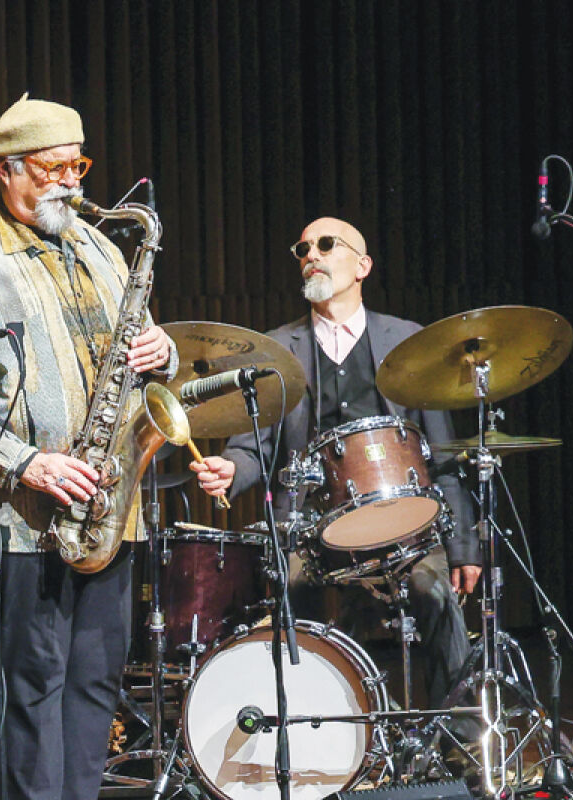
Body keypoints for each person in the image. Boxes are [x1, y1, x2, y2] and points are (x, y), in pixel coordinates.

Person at [0, 94, 176, 800]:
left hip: (108, 506)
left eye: (77, 166)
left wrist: (164, 349)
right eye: (53, 168)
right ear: (6, 170)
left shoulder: (98, 246)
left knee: (95, 682)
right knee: (33, 688)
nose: (71, 182)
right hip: (22, 518)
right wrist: (28, 462)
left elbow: (139, 347)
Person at [191, 216, 480, 710]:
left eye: (326, 244)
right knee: (297, 606)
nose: (311, 255)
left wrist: (464, 547)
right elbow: (251, 447)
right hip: (309, 527)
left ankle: (460, 743)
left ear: (362, 265)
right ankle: (321, 752)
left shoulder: (408, 340)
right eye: (302, 247)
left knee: (436, 598)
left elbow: (445, 461)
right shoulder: (278, 350)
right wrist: (232, 470)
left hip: (403, 525)